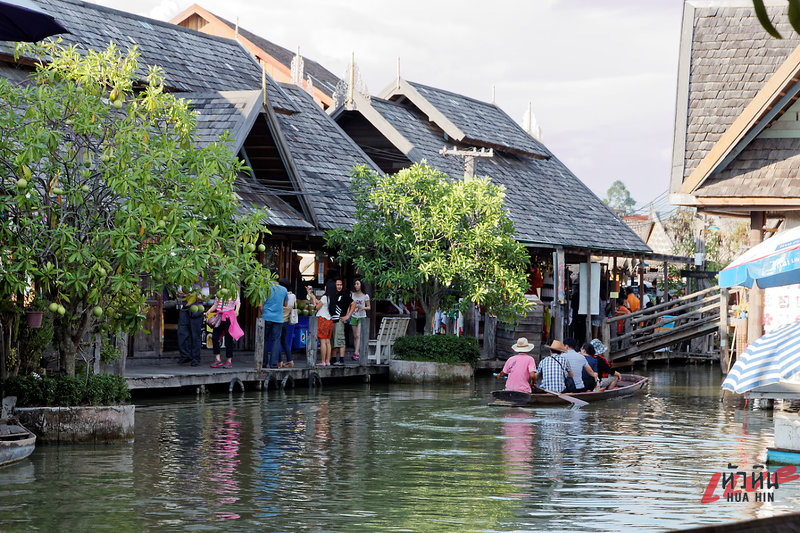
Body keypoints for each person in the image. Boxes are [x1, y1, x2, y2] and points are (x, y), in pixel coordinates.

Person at [176, 276, 208, 366]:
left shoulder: (203, 282)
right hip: (185, 309)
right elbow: (178, 294)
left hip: (197, 309)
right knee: (181, 333)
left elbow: (205, 298)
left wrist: (193, 296)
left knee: (195, 335)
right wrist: (182, 295)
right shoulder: (184, 279)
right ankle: (185, 356)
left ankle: (195, 358)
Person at [206, 289, 241, 369]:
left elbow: (238, 302)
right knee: (215, 337)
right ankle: (217, 359)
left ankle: (229, 360)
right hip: (219, 316)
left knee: (229, 338)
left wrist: (237, 310)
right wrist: (210, 310)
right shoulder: (220, 291)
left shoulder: (233, 291)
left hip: (229, 317)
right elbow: (216, 304)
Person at [262, 278, 288, 369]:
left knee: (265, 339)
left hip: (266, 317)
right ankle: (273, 363)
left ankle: (263, 363)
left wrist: (264, 312)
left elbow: (260, 305)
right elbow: (285, 304)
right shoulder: (284, 290)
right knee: (276, 340)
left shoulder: (265, 288)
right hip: (278, 318)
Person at [330, 278, 356, 366]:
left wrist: (348, 316)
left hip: (339, 320)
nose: (339, 286)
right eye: (337, 285)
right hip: (331, 320)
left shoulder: (344, 295)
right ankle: (333, 359)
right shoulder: (332, 294)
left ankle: (341, 360)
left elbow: (353, 304)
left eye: (340, 285)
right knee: (332, 340)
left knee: (340, 340)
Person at [307, 285, 332, 366]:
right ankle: (327, 361)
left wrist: (313, 299)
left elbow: (316, 307)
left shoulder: (324, 297)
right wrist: (312, 296)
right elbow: (321, 303)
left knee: (322, 342)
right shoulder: (332, 297)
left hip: (322, 319)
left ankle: (323, 361)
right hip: (329, 320)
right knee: (328, 342)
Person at [277, 278, 296, 368]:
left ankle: (279, 361)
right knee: (284, 341)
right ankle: (290, 360)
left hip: (279, 320)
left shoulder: (282, 294)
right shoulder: (293, 296)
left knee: (277, 341)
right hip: (286, 321)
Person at [350, 279, 370, 361]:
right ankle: (357, 351)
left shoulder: (365, 296)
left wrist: (363, 307)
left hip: (361, 316)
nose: (356, 285)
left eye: (357, 284)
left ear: (361, 284)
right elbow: (349, 305)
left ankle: (356, 353)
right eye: (355, 284)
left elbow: (369, 307)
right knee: (355, 336)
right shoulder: (352, 295)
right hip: (354, 315)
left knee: (358, 335)